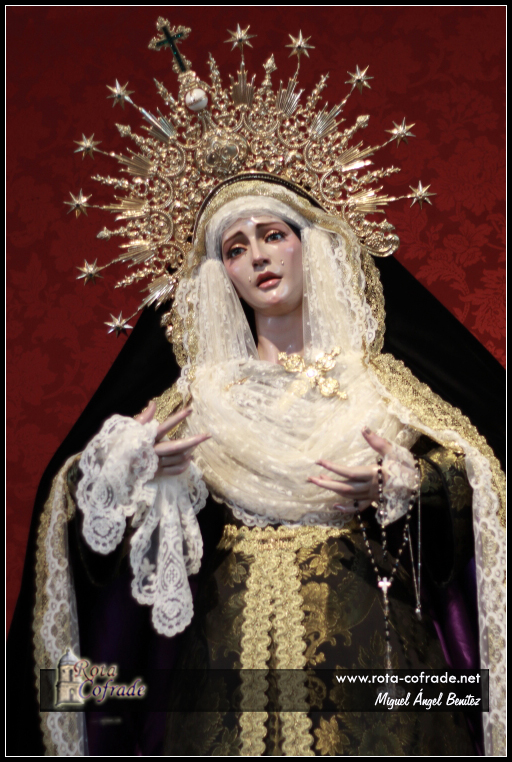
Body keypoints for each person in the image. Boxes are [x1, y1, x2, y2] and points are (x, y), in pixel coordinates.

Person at [7, 20, 505, 757]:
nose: (258, 259)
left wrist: (402, 484)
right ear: (223, 277)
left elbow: (480, 484)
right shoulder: (200, 398)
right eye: (236, 249)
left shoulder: (379, 384)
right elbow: (89, 533)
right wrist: (132, 472)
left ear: (312, 244)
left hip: (380, 669)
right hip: (218, 670)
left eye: (274, 235)